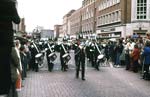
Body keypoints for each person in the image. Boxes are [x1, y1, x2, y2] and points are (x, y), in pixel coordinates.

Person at [0, 0, 20, 95]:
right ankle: (4, 90)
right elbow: (17, 20)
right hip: (5, 39)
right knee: (5, 64)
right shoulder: (10, 4)